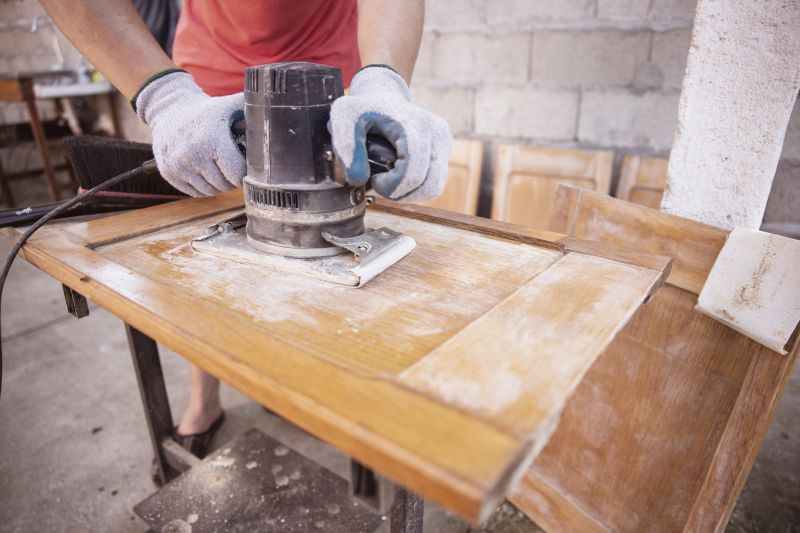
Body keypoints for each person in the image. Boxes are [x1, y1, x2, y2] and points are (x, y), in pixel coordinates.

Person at [40, 0, 451, 460]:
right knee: (201, 267)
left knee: (316, 252)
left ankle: (292, 381)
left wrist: (384, 82)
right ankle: (205, 398)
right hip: (208, 87)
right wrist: (164, 97)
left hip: (327, 72)